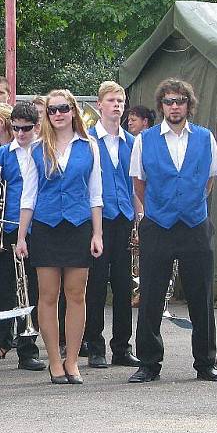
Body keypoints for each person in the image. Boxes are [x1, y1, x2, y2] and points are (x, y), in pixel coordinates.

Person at [128, 78, 217, 383]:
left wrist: (189, 202)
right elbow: (139, 182)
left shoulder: (205, 138)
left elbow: (210, 180)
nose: (174, 106)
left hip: (195, 224)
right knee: (152, 296)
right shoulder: (145, 140)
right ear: (161, 105)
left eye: (180, 101)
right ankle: (148, 363)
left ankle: (206, 362)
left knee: (201, 296)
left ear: (188, 105)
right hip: (158, 225)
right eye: (169, 101)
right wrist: (160, 208)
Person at [16, 89, 104, 385]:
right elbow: (28, 195)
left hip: (79, 225)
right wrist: (21, 237)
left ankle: (73, 361)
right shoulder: (37, 148)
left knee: (77, 295)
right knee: (48, 296)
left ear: (73, 110)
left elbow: (95, 194)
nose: (58, 114)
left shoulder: (89, 146)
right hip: (46, 225)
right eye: (52, 110)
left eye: (63, 108)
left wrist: (98, 233)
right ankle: (54, 360)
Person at [0, 101, 45, 374]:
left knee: (33, 292)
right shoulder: (0, 155)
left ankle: (28, 350)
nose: (21, 134)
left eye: (26, 129)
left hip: (39, 230)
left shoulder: (45, 152)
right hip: (7, 228)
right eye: (16, 128)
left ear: (37, 127)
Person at [83, 82, 141, 369]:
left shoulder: (132, 141)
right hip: (98, 220)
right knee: (94, 286)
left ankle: (121, 346)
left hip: (123, 219)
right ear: (100, 104)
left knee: (123, 285)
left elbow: (135, 184)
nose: (117, 105)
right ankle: (94, 345)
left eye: (120, 100)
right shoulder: (89, 140)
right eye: (111, 100)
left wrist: (139, 216)